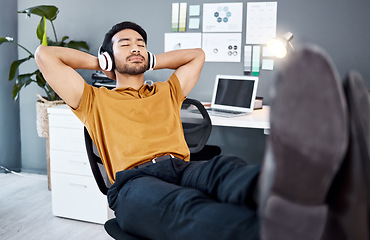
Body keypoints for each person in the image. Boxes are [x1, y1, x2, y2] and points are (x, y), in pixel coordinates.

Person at [35, 21, 369, 240]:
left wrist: (150, 60)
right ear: (108, 54)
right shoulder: (93, 99)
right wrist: (105, 62)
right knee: (185, 206)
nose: (136, 47)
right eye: (125, 44)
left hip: (183, 167)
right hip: (133, 183)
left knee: (229, 171)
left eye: (141, 43)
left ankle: (326, 186)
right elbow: (46, 54)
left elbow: (197, 56)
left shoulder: (166, 91)